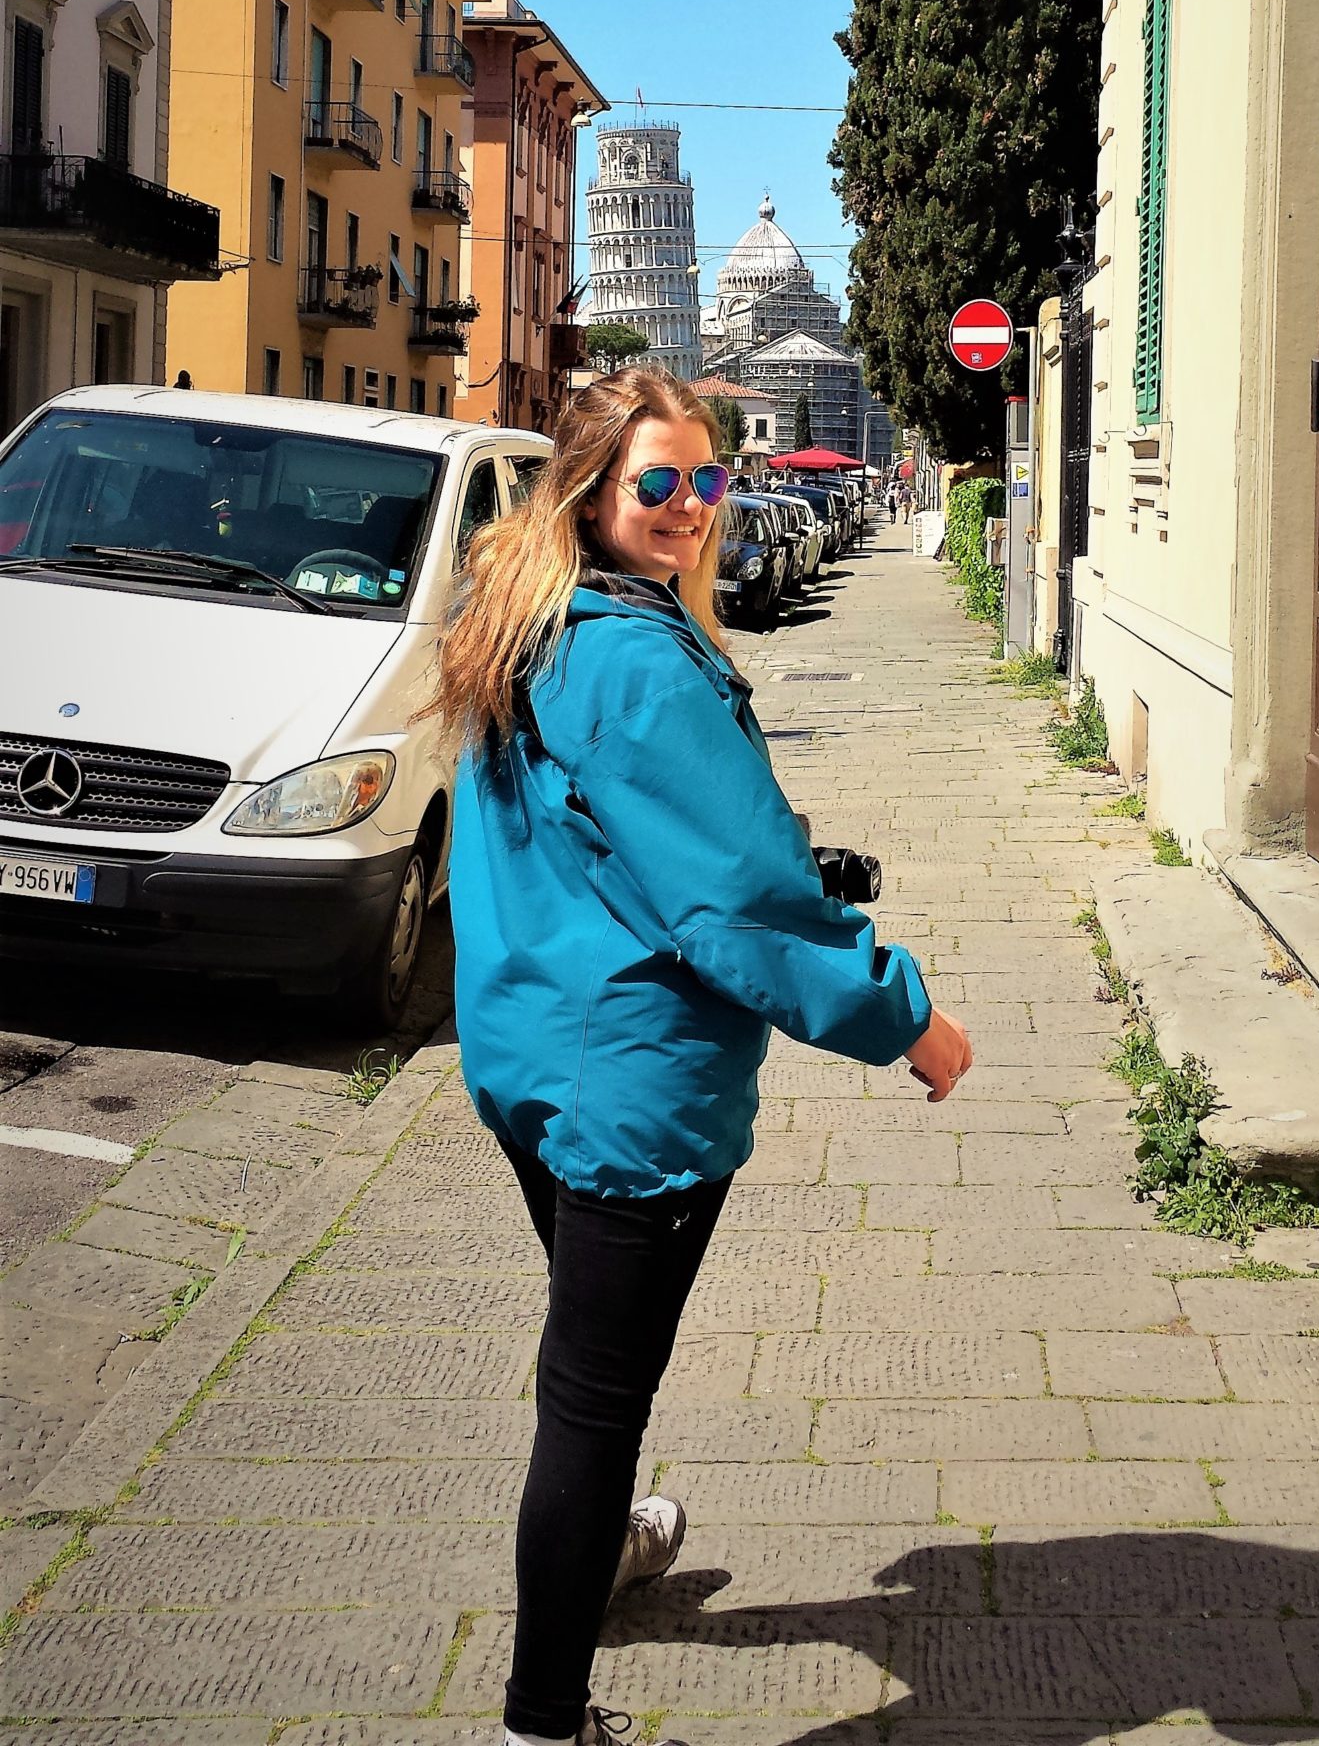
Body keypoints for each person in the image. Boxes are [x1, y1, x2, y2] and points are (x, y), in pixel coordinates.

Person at [429, 366, 974, 1746]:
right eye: (655, 483)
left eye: (706, 481)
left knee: (589, 1372)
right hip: (632, 1080)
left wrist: (804, 859)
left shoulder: (533, 622)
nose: (687, 508)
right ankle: (546, 1716)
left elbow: (637, 844)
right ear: (593, 490)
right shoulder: (627, 655)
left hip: (530, 1049)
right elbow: (736, 911)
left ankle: (598, 1551)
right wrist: (906, 1017)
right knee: (594, 1400)